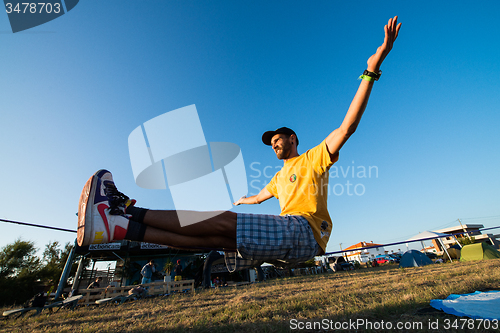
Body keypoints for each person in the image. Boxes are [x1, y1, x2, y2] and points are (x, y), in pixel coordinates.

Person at [77, 17, 401, 267]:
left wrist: (371, 70)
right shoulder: (277, 178)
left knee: (221, 222)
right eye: (271, 143)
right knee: (210, 236)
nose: (274, 145)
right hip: (293, 235)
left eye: (278, 140)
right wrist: (240, 198)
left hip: (306, 230)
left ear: (293, 139)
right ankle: (117, 228)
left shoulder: (314, 158)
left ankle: (123, 210)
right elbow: (257, 198)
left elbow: (347, 127)